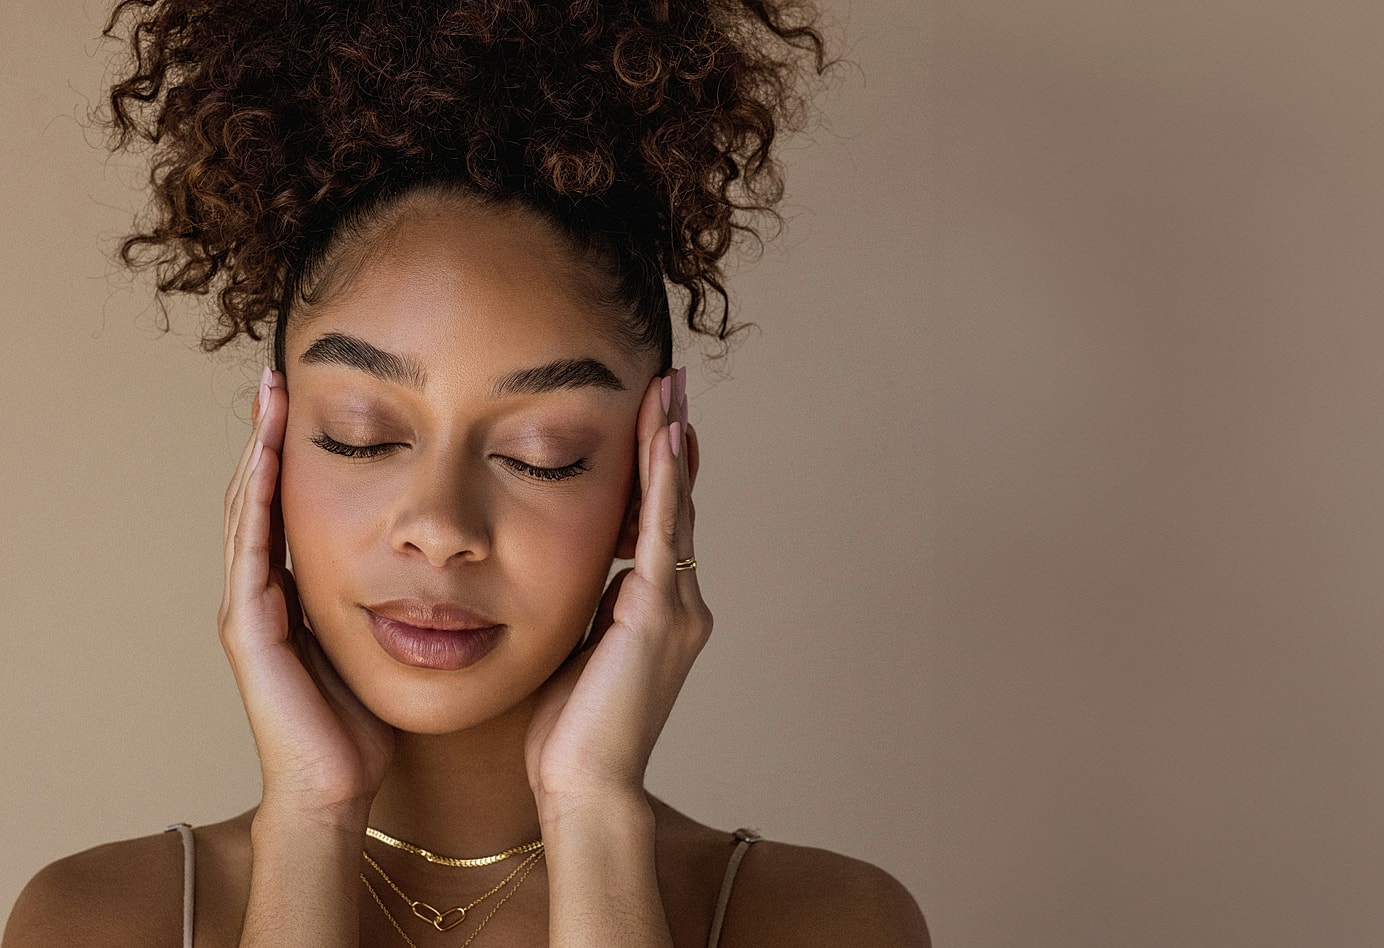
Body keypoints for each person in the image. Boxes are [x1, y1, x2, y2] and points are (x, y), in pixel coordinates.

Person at [2, 1, 929, 946]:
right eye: (362, 435)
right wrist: (310, 816)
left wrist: (595, 814)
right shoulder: (96, 919)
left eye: (541, 456)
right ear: (270, 458)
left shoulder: (832, 922)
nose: (440, 525)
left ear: (654, 491)